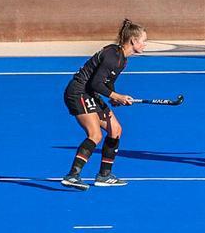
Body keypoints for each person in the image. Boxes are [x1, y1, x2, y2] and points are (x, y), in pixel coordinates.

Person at [60, 20, 146, 190]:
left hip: (90, 93)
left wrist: (115, 98)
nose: (145, 45)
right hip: (79, 92)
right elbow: (96, 84)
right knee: (95, 134)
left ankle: (104, 176)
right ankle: (72, 175)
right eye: (143, 40)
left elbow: (107, 84)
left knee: (116, 130)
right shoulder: (112, 56)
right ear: (133, 41)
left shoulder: (122, 59)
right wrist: (117, 96)